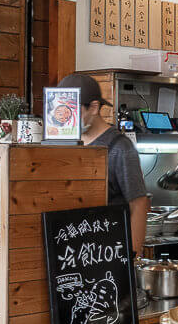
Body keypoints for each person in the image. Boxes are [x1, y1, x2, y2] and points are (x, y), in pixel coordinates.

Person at [57, 74, 150, 257]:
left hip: (107, 252)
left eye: (72, 110)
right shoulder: (65, 143)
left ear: (93, 107)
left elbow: (139, 205)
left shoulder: (120, 147)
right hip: (73, 250)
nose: (66, 117)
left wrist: (131, 256)